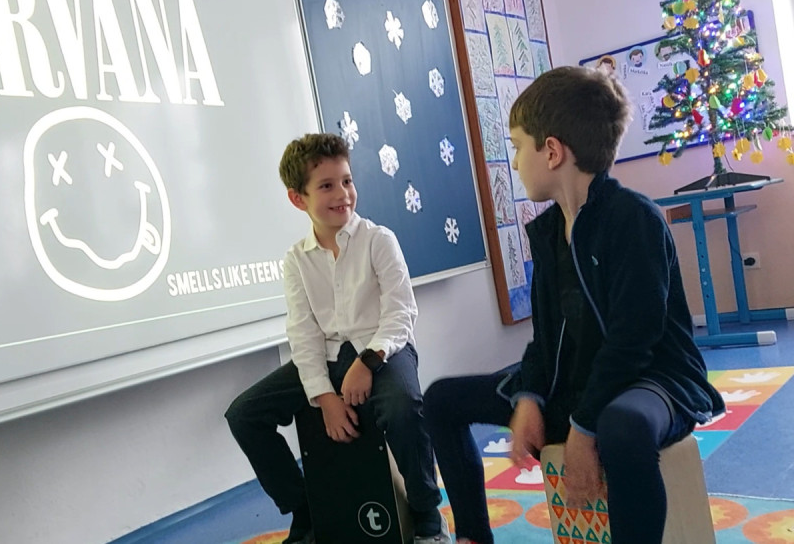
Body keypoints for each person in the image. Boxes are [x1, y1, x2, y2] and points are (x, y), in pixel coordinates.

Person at [422, 66, 724, 544]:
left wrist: (583, 430)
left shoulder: (634, 219)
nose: (515, 162)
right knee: (441, 399)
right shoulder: (548, 233)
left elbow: (634, 341)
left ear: (552, 151)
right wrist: (528, 397)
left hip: (654, 380)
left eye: (518, 146)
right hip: (577, 384)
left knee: (620, 426)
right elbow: (546, 339)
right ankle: (472, 537)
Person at [225, 133, 451, 544]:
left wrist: (368, 362)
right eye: (327, 186)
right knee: (244, 415)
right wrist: (324, 396)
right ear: (298, 199)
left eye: (347, 181)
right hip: (328, 357)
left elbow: (401, 313)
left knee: (402, 406)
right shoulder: (296, 260)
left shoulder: (379, 240)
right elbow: (304, 333)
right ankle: (305, 510)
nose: (343, 194)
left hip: (384, 349)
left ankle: (426, 512)